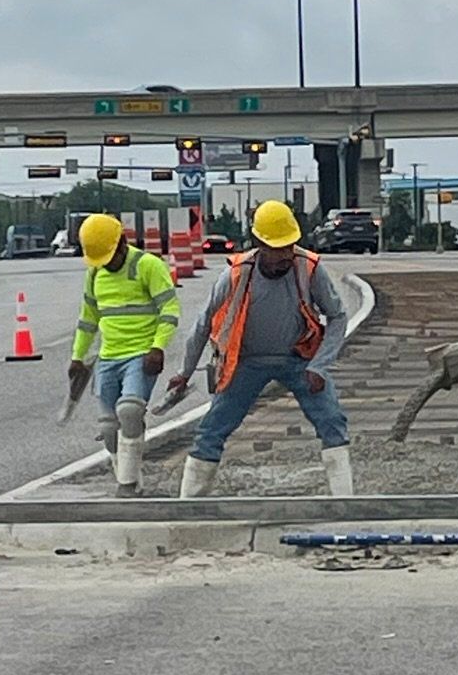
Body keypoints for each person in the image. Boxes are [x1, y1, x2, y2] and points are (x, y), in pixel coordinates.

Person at [169, 199, 353, 499]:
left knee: (332, 420)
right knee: (211, 430)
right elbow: (202, 325)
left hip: (298, 359)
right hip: (247, 362)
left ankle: (345, 502)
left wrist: (319, 366)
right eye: (276, 248)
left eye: (289, 246)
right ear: (258, 243)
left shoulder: (308, 267)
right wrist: (183, 373)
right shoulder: (237, 274)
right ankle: (189, 504)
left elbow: (338, 316)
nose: (284, 256)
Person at [68, 213, 180, 498]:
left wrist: (158, 347)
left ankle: (126, 485)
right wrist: (77, 357)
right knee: (108, 428)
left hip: (140, 354)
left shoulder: (148, 266)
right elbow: (88, 318)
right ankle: (131, 477)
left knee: (129, 411)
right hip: (109, 357)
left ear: (122, 243)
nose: (106, 263)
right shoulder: (94, 274)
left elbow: (169, 310)